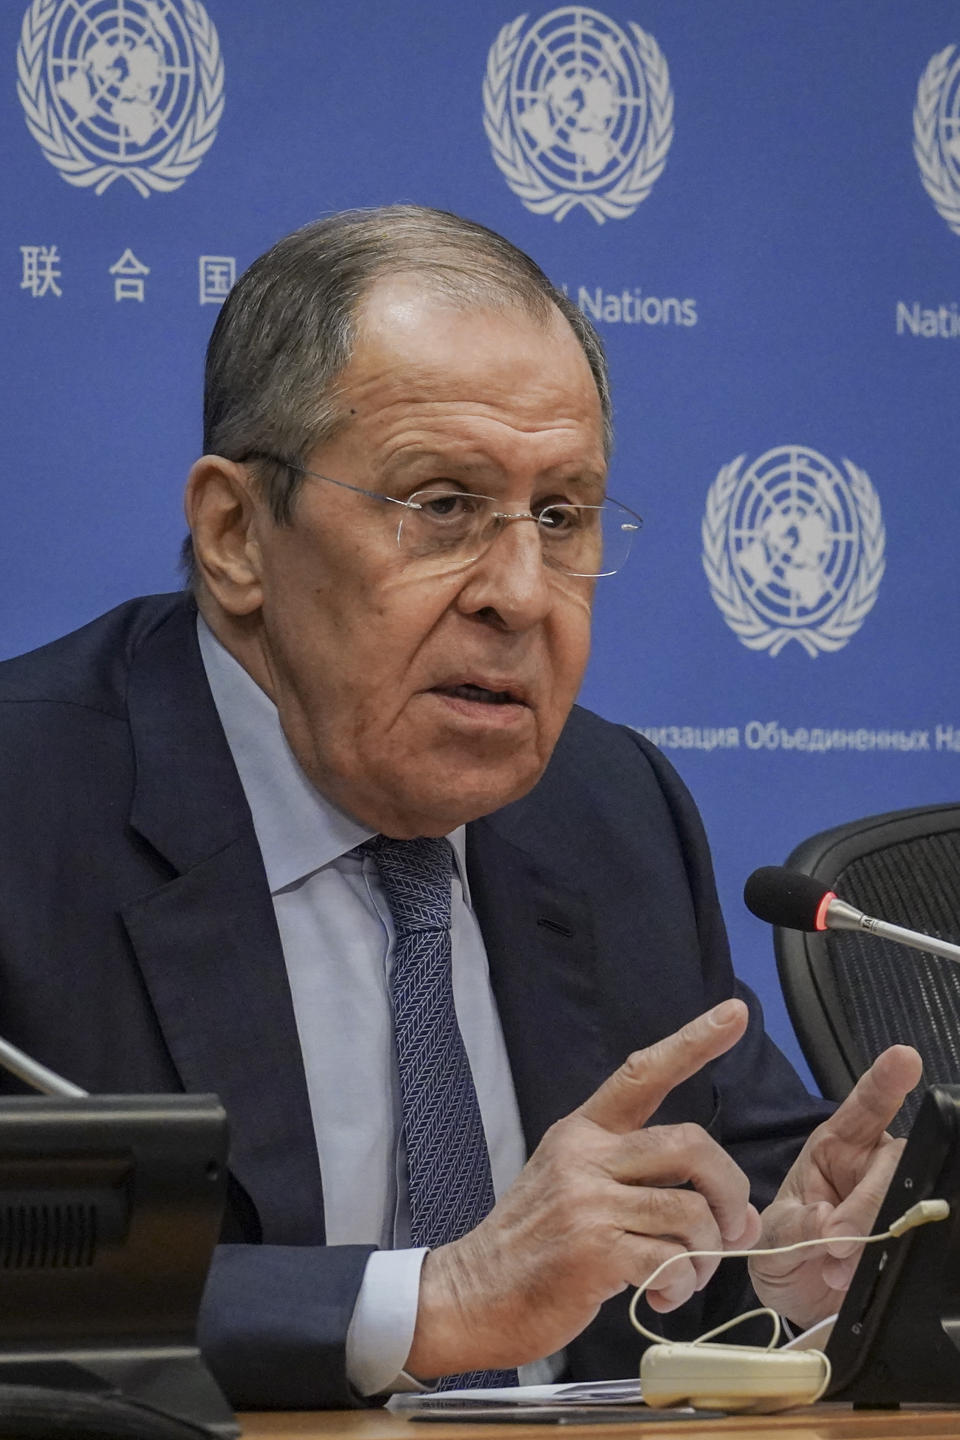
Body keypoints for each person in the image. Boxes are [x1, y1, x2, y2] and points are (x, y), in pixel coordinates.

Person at [0, 206, 920, 1410]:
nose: (520, 594)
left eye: (560, 515)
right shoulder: (31, 805)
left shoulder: (611, 806)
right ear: (235, 535)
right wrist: (427, 1305)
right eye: (442, 504)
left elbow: (707, 1221)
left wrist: (791, 1264)